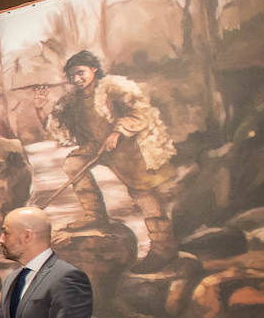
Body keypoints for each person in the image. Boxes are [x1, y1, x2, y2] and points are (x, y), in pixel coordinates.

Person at [45, 49, 179, 272]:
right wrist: (42, 108)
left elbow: (140, 112)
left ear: (94, 69)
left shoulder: (114, 88)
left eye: (81, 73)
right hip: (98, 146)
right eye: (72, 76)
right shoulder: (74, 100)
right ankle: (94, 215)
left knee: (143, 193)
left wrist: (118, 131)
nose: (77, 80)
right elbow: (58, 124)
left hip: (129, 147)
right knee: (74, 164)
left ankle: (163, 248)